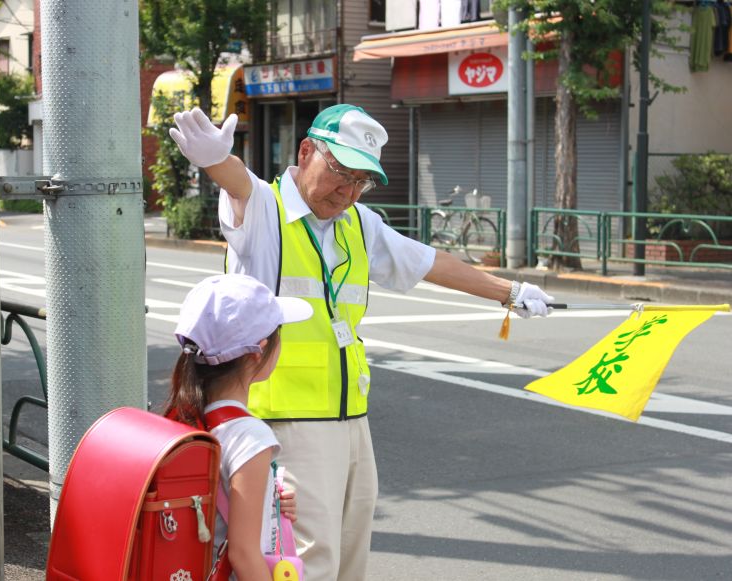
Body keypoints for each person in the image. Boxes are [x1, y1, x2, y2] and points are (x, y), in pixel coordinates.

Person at [170, 104, 554, 580]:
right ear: (306, 151)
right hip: (286, 421)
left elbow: (428, 261)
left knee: (351, 554)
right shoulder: (267, 209)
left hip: (352, 418)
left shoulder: (359, 223)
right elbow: (237, 181)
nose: (348, 191)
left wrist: (510, 292)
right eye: (340, 173)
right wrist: (213, 161)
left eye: (361, 181)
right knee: (304, 561)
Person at [164, 273, 311, 580]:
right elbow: (243, 555)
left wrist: (269, 500)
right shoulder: (250, 436)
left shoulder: (186, 414)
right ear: (259, 350)